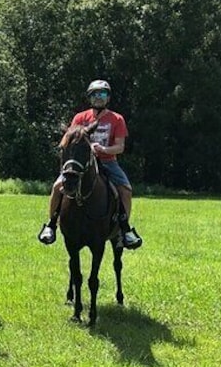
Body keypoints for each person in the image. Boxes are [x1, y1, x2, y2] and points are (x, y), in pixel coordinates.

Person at [37, 79, 143, 249]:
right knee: (58, 187)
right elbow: (69, 139)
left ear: (108, 98)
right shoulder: (80, 117)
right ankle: (51, 225)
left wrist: (102, 148)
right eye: (95, 94)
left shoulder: (117, 119)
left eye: (102, 94)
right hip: (80, 163)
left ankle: (125, 230)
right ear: (89, 97)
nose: (98, 98)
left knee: (126, 189)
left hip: (108, 162)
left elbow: (120, 147)